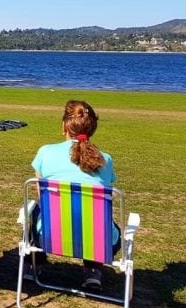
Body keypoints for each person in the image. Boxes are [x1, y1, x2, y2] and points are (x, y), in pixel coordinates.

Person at [29, 99, 119, 290]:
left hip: (50, 235)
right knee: (93, 214)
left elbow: (42, 196)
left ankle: (34, 264)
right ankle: (93, 271)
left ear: (64, 126)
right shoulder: (106, 160)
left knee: (36, 209)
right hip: (100, 241)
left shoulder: (45, 152)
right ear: (92, 129)